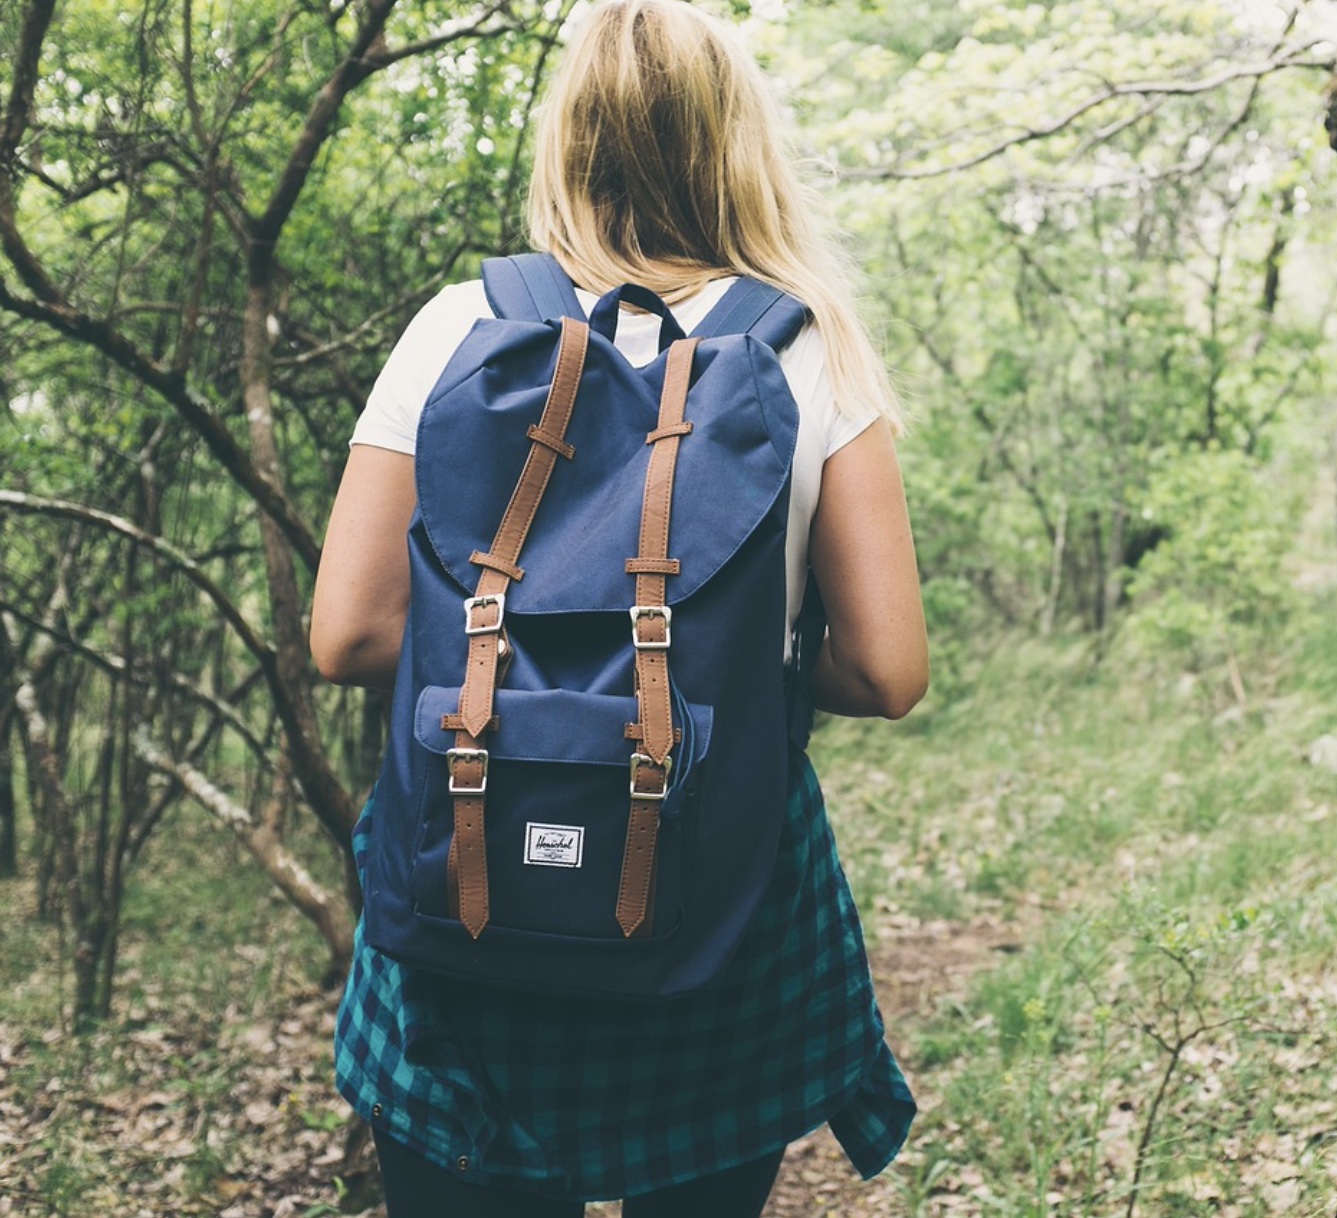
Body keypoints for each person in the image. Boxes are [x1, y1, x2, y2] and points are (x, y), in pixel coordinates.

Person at [309, 2, 929, 1214]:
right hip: (716, 910)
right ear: (736, 142)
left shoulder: (457, 328)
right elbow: (886, 671)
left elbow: (349, 634)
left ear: (569, 138)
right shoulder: (810, 352)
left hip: (469, 901)